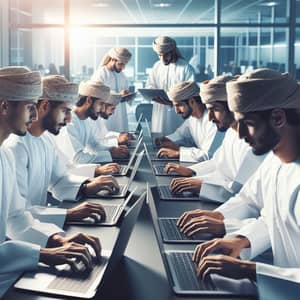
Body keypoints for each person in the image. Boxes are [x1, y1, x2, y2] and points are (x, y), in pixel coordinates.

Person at [192, 68, 300, 284]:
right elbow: (270, 215)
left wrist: (250, 270)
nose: (239, 134)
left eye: (248, 124)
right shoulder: (275, 158)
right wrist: (241, 239)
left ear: (278, 117)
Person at [0, 67, 100, 297]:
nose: (34, 117)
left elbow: (16, 217)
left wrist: (56, 240)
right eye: (29, 108)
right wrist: (43, 254)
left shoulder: (3, 154)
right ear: (5, 106)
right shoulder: (13, 148)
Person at [4, 75, 120, 230]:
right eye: (65, 111)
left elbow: (59, 179)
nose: (69, 119)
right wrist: (67, 214)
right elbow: (16, 216)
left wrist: (86, 186)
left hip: (38, 228)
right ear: (44, 106)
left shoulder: (46, 139)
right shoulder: (15, 147)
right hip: (28, 232)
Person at [164, 75, 266, 210]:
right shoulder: (231, 132)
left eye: (215, 109)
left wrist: (202, 186)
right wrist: (192, 172)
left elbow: (239, 191)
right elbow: (217, 163)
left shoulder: (254, 142)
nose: (210, 117)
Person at [58, 80, 129, 164]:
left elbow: (94, 145)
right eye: (101, 104)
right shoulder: (69, 123)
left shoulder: (86, 120)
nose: (103, 109)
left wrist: (112, 149)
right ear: (89, 101)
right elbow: (78, 159)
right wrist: (110, 154)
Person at [155, 81, 224, 163]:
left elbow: (208, 155)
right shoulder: (192, 118)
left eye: (179, 105)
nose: (177, 111)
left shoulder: (213, 120)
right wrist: (166, 140)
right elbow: (181, 135)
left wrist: (178, 152)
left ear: (192, 101)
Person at [147, 36, 195, 136]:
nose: (162, 59)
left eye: (165, 55)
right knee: (159, 141)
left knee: (177, 138)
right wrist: (153, 95)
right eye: (159, 55)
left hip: (177, 113)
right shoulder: (157, 66)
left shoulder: (186, 68)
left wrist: (173, 101)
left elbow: (192, 93)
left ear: (173, 51)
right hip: (159, 113)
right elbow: (150, 85)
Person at [92, 47, 132, 133]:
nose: (123, 68)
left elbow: (124, 92)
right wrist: (118, 95)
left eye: (125, 65)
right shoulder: (101, 74)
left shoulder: (122, 75)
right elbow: (95, 95)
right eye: (121, 64)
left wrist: (127, 95)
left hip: (120, 115)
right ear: (113, 59)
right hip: (106, 117)